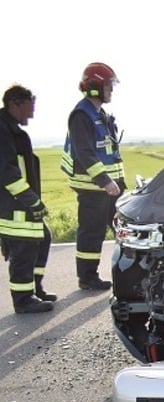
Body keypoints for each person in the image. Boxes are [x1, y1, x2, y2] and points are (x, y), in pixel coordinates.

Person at [61, 62, 125, 291]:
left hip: (109, 186)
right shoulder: (81, 115)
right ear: (95, 86)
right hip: (92, 187)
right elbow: (84, 152)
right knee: (92, 232)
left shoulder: (99, 113)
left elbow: (108, 151)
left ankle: (127, 274)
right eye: (108, 85)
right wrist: (105, 181)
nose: (111, 90)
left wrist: (118, 181)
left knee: (120, 228)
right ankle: (87, 277)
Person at [1, 85, 56, 314]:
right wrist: (32, 200)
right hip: (13, 204)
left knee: (43, 237)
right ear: (14, 103)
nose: (32, 113)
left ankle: (34, 288)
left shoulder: (11, 129)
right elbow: (7, 172)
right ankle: (23, 300)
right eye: (29, 107)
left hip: (21, 202)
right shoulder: (2, 130)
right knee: (23, 249)